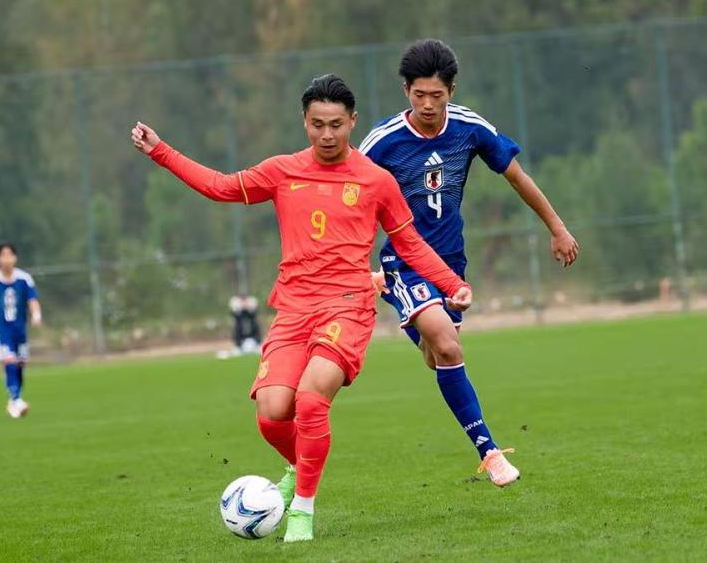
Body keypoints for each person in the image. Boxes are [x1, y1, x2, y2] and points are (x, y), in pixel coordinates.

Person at [132, 74, 472, 542]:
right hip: (293, 309)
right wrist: (160, 151)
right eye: (317, 125)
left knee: (311, 400)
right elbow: (220, 186)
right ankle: (301, 466)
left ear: (352, 122)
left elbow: (409, 243)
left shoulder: (376, 181)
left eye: (336, 124)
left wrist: (453, 284)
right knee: (272, 414)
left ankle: (302, 511)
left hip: (348, 307)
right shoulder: (282, 170)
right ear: (305, 123)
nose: (326, 135)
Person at [359, 39, 578, 486]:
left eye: (436, 95)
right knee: (448, 346)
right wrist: (354, 264)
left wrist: (557, 228)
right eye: (419, 95)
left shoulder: (469, 127)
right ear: (405, 90)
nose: (427, 104)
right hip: (404, 262)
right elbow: (349, 201)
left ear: (452, 91)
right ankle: (490, 452)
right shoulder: (382, 142)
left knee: (437, 356)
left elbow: (517, 176)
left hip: (451, 265)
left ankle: (402, 304)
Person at [0, 243, 42, 418]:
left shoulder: (24, 279)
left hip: (20, 331)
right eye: (3, 255)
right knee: (9, 362)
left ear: (15, 258)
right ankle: (17, 399)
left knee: (20, 365)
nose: (7, 259)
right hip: (1, 331)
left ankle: (13, 400)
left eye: (10, 255)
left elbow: (32, 300)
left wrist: (36, 315)